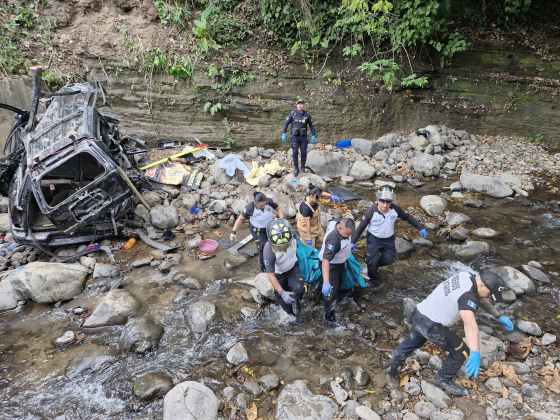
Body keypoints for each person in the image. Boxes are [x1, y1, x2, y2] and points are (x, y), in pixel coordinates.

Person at [386, 269, 515, 396]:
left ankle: (392, 370)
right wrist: (475, 352)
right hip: (432, 326)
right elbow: (470, 325)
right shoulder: (467, 297)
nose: (489, 297)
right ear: (482, 285)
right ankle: (443, 379)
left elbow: (479, 298)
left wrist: (497, 316)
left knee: (413, 341)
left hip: (419, 313)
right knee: (462, 351)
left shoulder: (466, 275)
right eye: (489, 294)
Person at [351, 186, 428, 290]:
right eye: (382, 201)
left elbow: (407, 217)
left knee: (389, 259)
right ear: (378, 200)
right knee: (372, 261)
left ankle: (371, 262)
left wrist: (420, 227)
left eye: (388, 202)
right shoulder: (371, 211)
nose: (385, 205)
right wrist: (352, 242)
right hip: (374, 239)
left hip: (388, 239)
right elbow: (361, 227)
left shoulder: (395, 209)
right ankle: (373, 278)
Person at [231, 192, 284, 272]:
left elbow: (278, 208)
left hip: (269, 227)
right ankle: (264, 268)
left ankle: (276, 261)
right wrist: (233, 232)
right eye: (260, 206)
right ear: (255, 202)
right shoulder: (250, 208)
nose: (262, 207)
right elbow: (240, 219)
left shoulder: (269, 202)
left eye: (264, 205)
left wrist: (281, 219)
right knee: (263, 247)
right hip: (257, 230)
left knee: (276, 242)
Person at [263, 219, 304, 317]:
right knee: (283, 299)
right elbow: (270, 275)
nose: (284, 248)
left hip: (292, 268)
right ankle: (290, 315)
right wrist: (282, 292)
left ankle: (297, 302)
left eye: (286, 245)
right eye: (280, 247)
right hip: (278, 275)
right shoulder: (269, 249)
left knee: (299, 289)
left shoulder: (292, 235)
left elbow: (301, 245)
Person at [319, 218, 355, 322]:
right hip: (331, 265)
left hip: (340, 261)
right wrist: (326, 282)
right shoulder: (333, 240)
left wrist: (349, 246)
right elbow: (325, 261)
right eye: (347, 234)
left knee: (343, 284)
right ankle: (328, 315)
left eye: (350, 234)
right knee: (330, 292)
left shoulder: (342, 224)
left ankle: (339, 298)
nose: (349, 236)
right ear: (340, 228)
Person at [296, 184, 342, 248]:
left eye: (319, 197)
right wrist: (309, 238)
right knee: (310, 248)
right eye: (317, 198)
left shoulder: (313, 192)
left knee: (322, 241)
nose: (319, 199)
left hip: (316, 226)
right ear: (311, 196)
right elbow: (307, 225)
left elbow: (321, 193)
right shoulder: (306, 208)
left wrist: (331, 196)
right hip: (306, 229)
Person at [280, 98, 317, 176]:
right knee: (295, 152)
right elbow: (286, 123)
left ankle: (303, 167)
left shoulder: (307, 115)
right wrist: (284, 133)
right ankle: (296, 168)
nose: (300, 105)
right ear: (296, 105)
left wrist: (313, 135)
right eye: (299, 104)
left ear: (303, 105)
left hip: (303, 138)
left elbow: (311, 126)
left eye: (301, 104)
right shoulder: (292, 113)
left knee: (304, 153)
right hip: (294, 137)